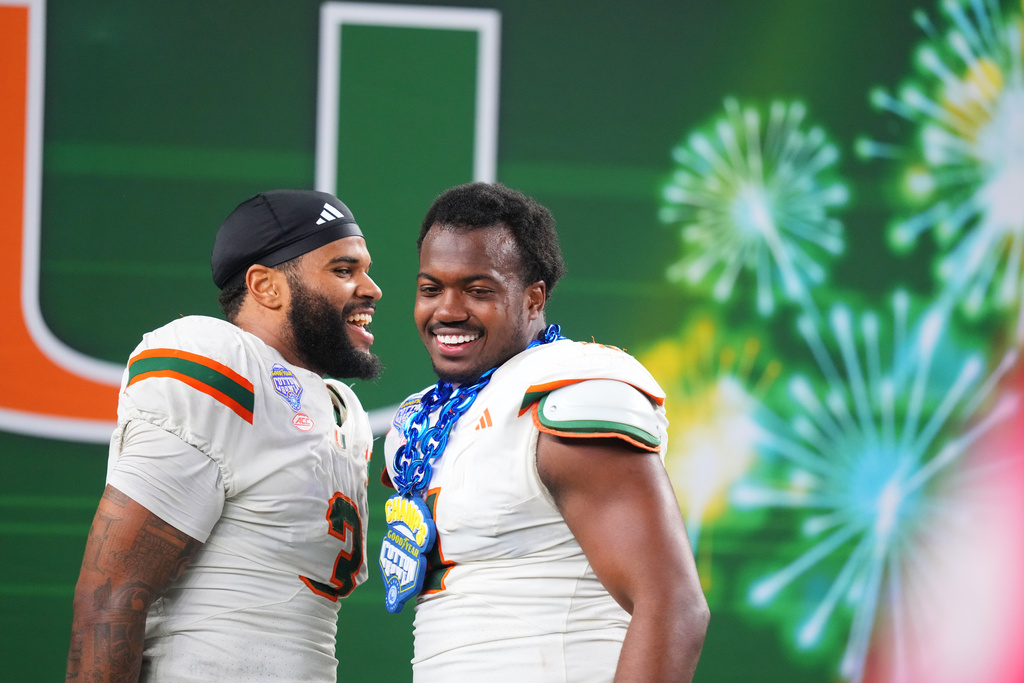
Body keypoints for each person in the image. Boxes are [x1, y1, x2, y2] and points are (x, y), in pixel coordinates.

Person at [380, 182, 709, 682]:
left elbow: (674, 605)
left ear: (534, 299)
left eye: (478, 290)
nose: (447, 310)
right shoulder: (423, 422)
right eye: (431, 288)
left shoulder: (566, 394)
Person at [66, 189, 383, 681]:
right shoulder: (219, 362)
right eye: (343, 270)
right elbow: (111, 595)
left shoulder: (343, 410)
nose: (371, 289)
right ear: (266, 286)